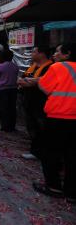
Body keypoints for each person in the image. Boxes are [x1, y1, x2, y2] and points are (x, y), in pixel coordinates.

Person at [33, 44, 76, 204]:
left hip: (58, 116)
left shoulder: (58, 67)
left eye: (58, 51)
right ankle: (72, 192)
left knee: (51, 152)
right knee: (72, 155)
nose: (55, 54)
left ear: (67, 54)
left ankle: (54, 186)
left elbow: (45, 87)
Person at [18, 46, 52, 160]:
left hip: (42, 103)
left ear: (41, 54)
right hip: (29, 101)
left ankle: (43, 152)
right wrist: (28, 82)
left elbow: (34, 82)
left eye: (34, 52)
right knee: (32, 127)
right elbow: (21, 80)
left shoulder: (49, 67)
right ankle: (35, 151)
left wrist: (29, 82)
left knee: (42, 128)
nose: (31, 53)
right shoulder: (32, 67)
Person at [0, 49, 19, 132]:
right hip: (13, 89)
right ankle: (12, 126)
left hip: (2, 89)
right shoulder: (15, 66)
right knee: (12, 107)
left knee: (4, 108)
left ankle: (5, 126)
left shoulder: (0, 66)